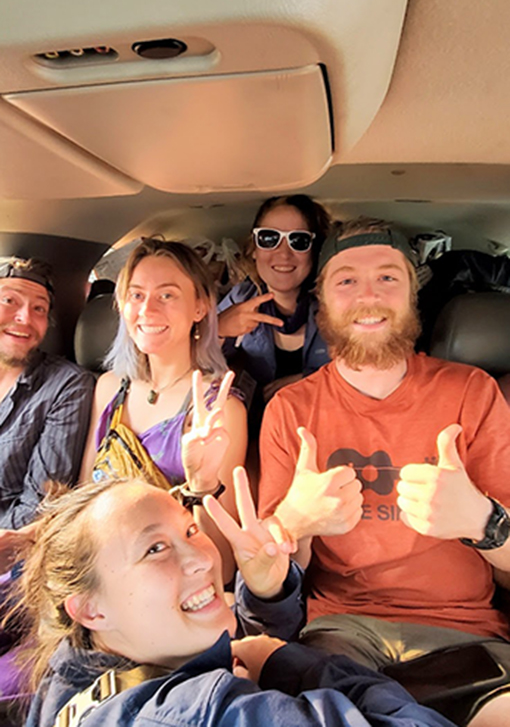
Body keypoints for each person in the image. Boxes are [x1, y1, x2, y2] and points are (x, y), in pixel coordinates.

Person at [258, 217, 510, 726]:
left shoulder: (474, 393)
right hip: (340, 632)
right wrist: (295, 524)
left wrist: (483, 522)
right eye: (346, 279)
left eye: (388, 277)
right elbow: (266, 581)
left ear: (412, 294)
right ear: (323, 300)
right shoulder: (290, 408)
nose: (367, 295)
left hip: (466, 633)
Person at [17, 474, 456, 727]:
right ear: (90, 609)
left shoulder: (73, 668)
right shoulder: (206, 713)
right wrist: (283, 660)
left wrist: (267, 592)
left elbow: (218, 645)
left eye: (190, 530)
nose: (201, 558)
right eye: (155, 549)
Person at [79, 237, 247, 581]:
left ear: (200, 308)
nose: (147, 310)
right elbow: (84, 500)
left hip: (175, 581)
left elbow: (224, 566)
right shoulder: (109, 388)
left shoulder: (220, 410)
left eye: (167, 295)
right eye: (136, 295)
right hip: (101, 572)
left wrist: (202, 484)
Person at [0, 256, 95, 573]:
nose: (25, 317)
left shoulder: (65, 386)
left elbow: (40, 505)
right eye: (9, 301)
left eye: (39, 308)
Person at [217, 195, 331, 405]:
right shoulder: (242, 298)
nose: (283, 253)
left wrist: (311, 382)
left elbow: (370, 368)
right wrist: (219, 329)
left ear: (315, 251)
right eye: (269, 238)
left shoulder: (338, 304)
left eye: (299, 241)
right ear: (254, 249)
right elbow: (194, 360)